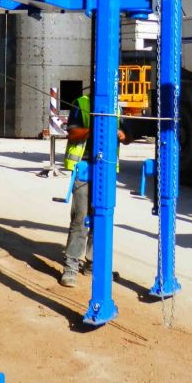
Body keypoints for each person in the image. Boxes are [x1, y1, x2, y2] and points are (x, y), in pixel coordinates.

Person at [60, 92, 132, 288]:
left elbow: (128, 135)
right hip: (84, 167)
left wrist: (122, 135)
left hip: (106, 170)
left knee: (101, 217)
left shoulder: (116, 106)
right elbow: (73, 133)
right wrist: (96, 129)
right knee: (81, 219)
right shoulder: (81, 103)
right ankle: (71, 267)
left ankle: (93, 264)